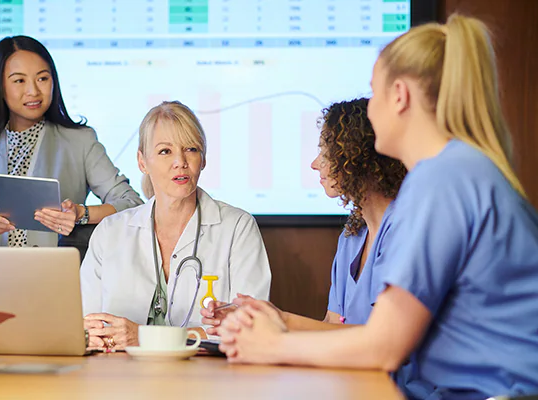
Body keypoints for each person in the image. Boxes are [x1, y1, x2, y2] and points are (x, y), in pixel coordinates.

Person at [216, 15, 538, 399]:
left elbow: (384, 346)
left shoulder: (442, 180)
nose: (369, 112)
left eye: (374, 92)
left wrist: (270, 346)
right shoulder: (460, 170)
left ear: (400, 95)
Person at [201, 98, 407, 332]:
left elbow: (380, 339)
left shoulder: (404, 232)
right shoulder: (353, 236)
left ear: (356, 158)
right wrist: (264, 322)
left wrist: (282, 321)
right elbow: (331, 325)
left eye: (325, 153)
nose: (314, 164)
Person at [80, 101, 271, 352]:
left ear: (203, 159)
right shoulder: (110, 232)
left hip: (209, 381)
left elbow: (251, 328)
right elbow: (87, 324)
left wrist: (144, 337)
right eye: (164, 151)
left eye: (191, 149)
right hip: (121, 378)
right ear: (142, 162)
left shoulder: (237, 228)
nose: (180, 162)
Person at [0, 35, 142, 247]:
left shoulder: (80, 141)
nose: (33, 91)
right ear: (0, 87)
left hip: (56, 274)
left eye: (42, 78)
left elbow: (131, 203)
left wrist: (82, 213)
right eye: (19, 80)